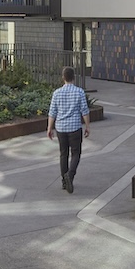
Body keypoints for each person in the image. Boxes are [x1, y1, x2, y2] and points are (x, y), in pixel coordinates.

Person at [46, 65, 90, 193]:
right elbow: (85, 111)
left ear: (63, 78)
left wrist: (50, 128)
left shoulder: (57, 93)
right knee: (76, 153)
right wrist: (87, 126)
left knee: (63, 154)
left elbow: (52, 112)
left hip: (60, 127)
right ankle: (70, 176)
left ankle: (64, 182)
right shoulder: (79, 92)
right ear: (73, 78)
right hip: (75, 127)